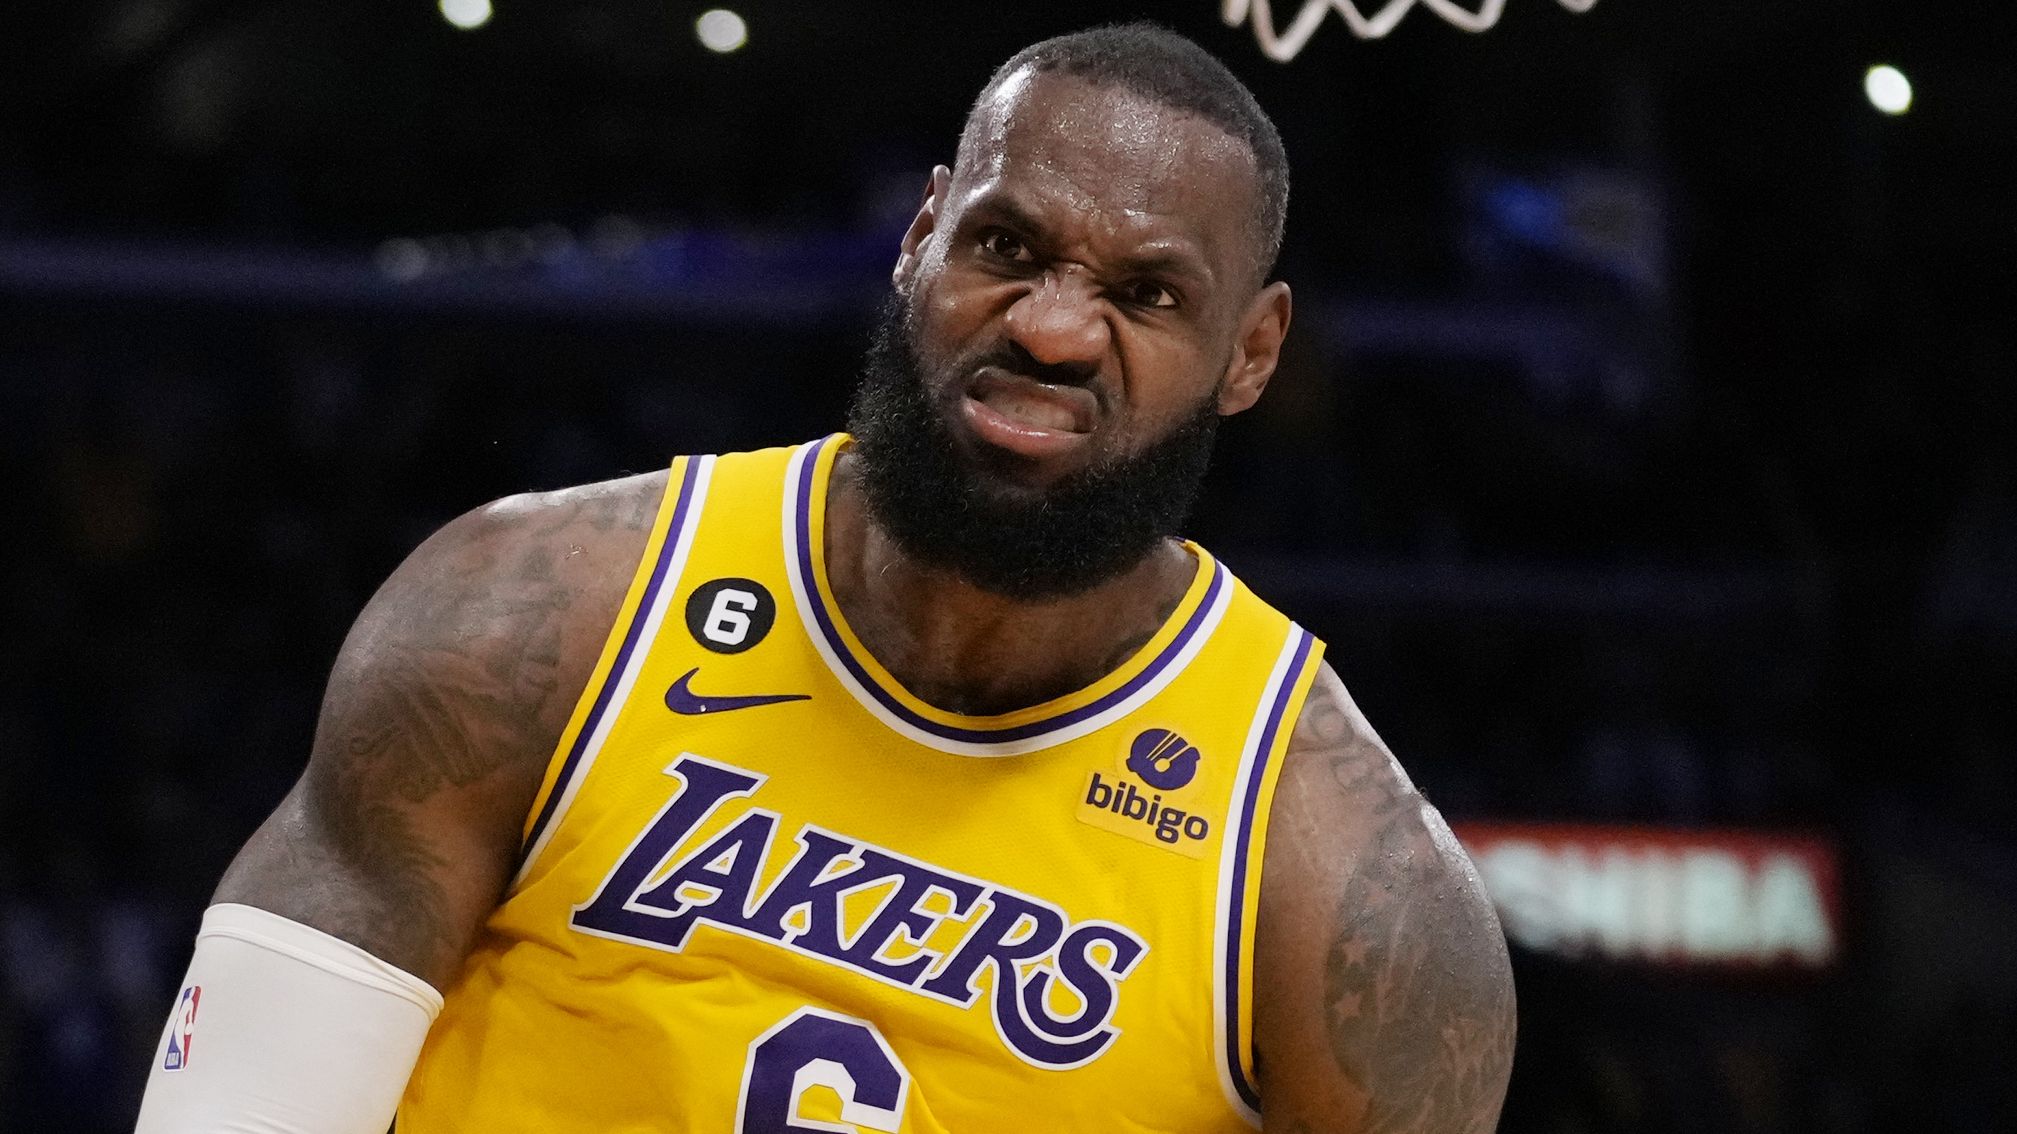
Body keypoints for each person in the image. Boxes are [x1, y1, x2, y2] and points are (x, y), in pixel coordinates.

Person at [136, 22, 1513, 1133]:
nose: (1048, 327)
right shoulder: (536, 612)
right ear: (923, 235)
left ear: (1252, 349)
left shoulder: (1343, 886)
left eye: (1146, 294)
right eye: (1007, 247)